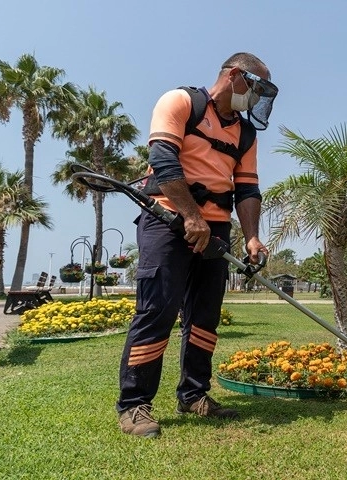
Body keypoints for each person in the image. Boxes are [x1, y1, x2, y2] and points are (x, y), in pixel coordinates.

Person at [116, 52, 278, 437]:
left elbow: (247, 188)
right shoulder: (180, 103)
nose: (256, 101)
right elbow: (164, 160)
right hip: (167, 221)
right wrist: (191, 216)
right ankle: (135, 404)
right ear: (237, 77)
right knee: (158, 309)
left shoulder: (246, 133)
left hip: (216, 231)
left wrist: (251, 235)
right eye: (257, 91)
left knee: (204, 317)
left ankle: (193, 394)